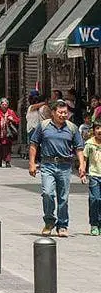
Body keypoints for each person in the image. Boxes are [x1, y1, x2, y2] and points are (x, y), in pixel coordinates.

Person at [28, 100, 86, 237]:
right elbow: (33, 144)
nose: (63, 115)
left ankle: (62, 225)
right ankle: (49, 221)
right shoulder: (43, 126)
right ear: (53, 113)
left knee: (63, 198)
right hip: (47, 165)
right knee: (48, 193)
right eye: (60, 112)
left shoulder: (72, 128)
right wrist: (32, 163)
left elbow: (79, 148)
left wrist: (82, 164)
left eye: (65, 112)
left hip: (65, 166)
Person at [0, 98, 20, 168]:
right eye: (3, 104)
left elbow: (17, 121)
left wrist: (12, 119)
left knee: (7, 148)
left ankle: (7, 161)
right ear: (0, 105)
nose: (4, 106)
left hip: (8, 134)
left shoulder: (11, 112)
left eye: (6, 104)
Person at [85, 121, 101, 236]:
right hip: (94, 175)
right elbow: (84, 158)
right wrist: (82, 171)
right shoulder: (89, 144)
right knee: (95, 199)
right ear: (94, 130)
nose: (100, 131)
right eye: (98, 128)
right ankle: (94, 224)